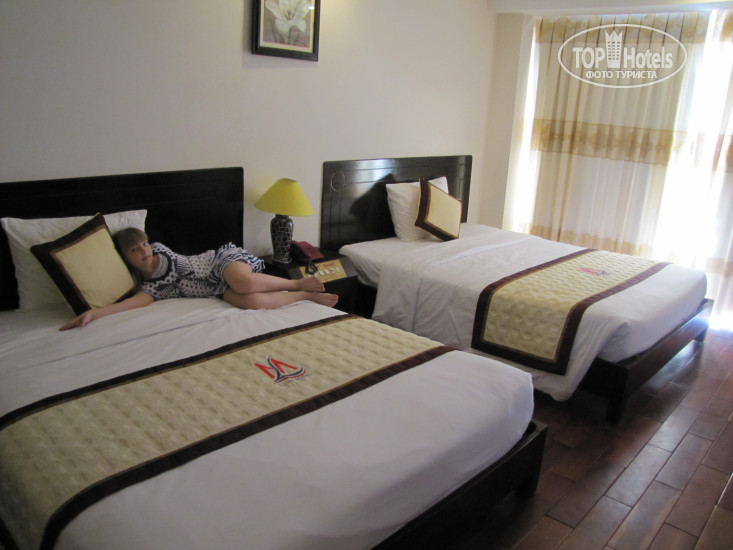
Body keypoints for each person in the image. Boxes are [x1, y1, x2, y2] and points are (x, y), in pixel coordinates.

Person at [60, 227, 338, 330]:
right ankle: (304, 295)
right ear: (125, 259)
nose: (144, 250)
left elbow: (171, 264)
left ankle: (295, 283)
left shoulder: (160, 250)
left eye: (143, 244)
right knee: (251, 302)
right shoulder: (152, 288)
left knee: (244, 283)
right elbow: (131, 303)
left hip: (220, 262)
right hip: (216, 289)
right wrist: (94, 313)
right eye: (134, 250)